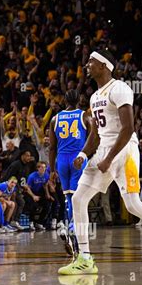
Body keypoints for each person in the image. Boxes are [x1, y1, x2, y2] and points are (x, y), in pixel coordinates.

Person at [58, 50, 142, 275]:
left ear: (105, 66)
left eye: (92, 61)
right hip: (103, 150)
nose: (87, 65)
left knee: (132, 205)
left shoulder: (120, 88)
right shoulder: (94, 97)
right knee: (79, 198)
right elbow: (96, 132)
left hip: (125, 150)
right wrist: (83, 154)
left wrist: (109, 159)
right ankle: (85, 258)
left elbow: (128, 128)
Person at [49, 89, 90, 255]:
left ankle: (69, 228)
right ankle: (72, 229)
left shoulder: (54, 119)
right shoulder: (84, 115)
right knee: (80, 198)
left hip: (62, 159)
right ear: (79, 99)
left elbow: (51, 147)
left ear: (64, 100)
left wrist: (52, 170)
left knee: (69, 197)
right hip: (77, 158)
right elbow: (94, 138)